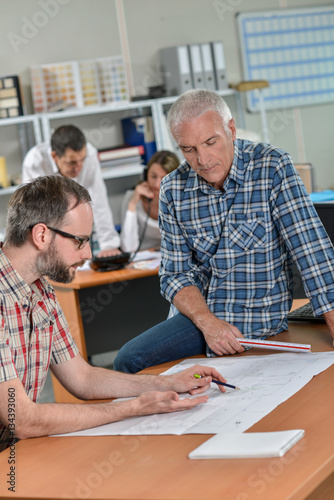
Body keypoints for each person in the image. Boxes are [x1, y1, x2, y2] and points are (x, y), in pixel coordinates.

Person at [0, 175, 228, 452]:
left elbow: (83, 379)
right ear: (41, 235)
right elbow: (22, 419)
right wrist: (135, 407)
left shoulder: (42, 292)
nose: (87, 253)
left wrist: (164, 383)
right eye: (80, 241)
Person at [114, 88, 334, 374]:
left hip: (256, 320)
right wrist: (207, 323)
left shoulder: (272, 167)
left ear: (230, 129)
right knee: (127, 361)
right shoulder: (173, 189)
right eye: (189, 149)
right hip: (199, 320)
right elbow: (173, 275)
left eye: (210, 142)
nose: (202, 159)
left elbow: (310, 249)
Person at [22, 124, 121, 257]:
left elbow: (99, 199)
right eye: (72, 163)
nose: (78, 168)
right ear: (54, 156)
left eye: (82, 161)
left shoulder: (90, 153)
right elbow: (35, 213)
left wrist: (109, 244)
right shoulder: (34, 162)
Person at [120, 150, 179, 252]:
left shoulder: (183, 199)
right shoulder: (132, 197)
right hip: (142, 260)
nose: (157, 184)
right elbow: (128, 248)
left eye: (164, 178)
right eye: (153, 176)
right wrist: (133, 203)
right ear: (145, 174)